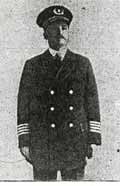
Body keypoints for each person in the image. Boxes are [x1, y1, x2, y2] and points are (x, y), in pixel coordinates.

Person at [17, 5, 101, 181]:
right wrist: (24, 141)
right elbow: (23, 106)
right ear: (45, 34)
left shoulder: (82, 64)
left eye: (64, 27)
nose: (60, 31)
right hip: (43, 143)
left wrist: (93, 138)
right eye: (54, 28)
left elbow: (92, 102)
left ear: (69, 32)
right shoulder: (33, 66)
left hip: (75, 143)